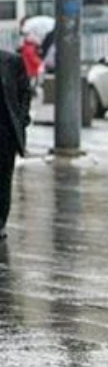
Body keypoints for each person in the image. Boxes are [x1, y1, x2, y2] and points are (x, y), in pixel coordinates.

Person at [0, 50, 32, 241]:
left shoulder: (11, 62)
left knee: (3, 178)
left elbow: (25, 92)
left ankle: (1, 220)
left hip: (5, 131)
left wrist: (22, 119)